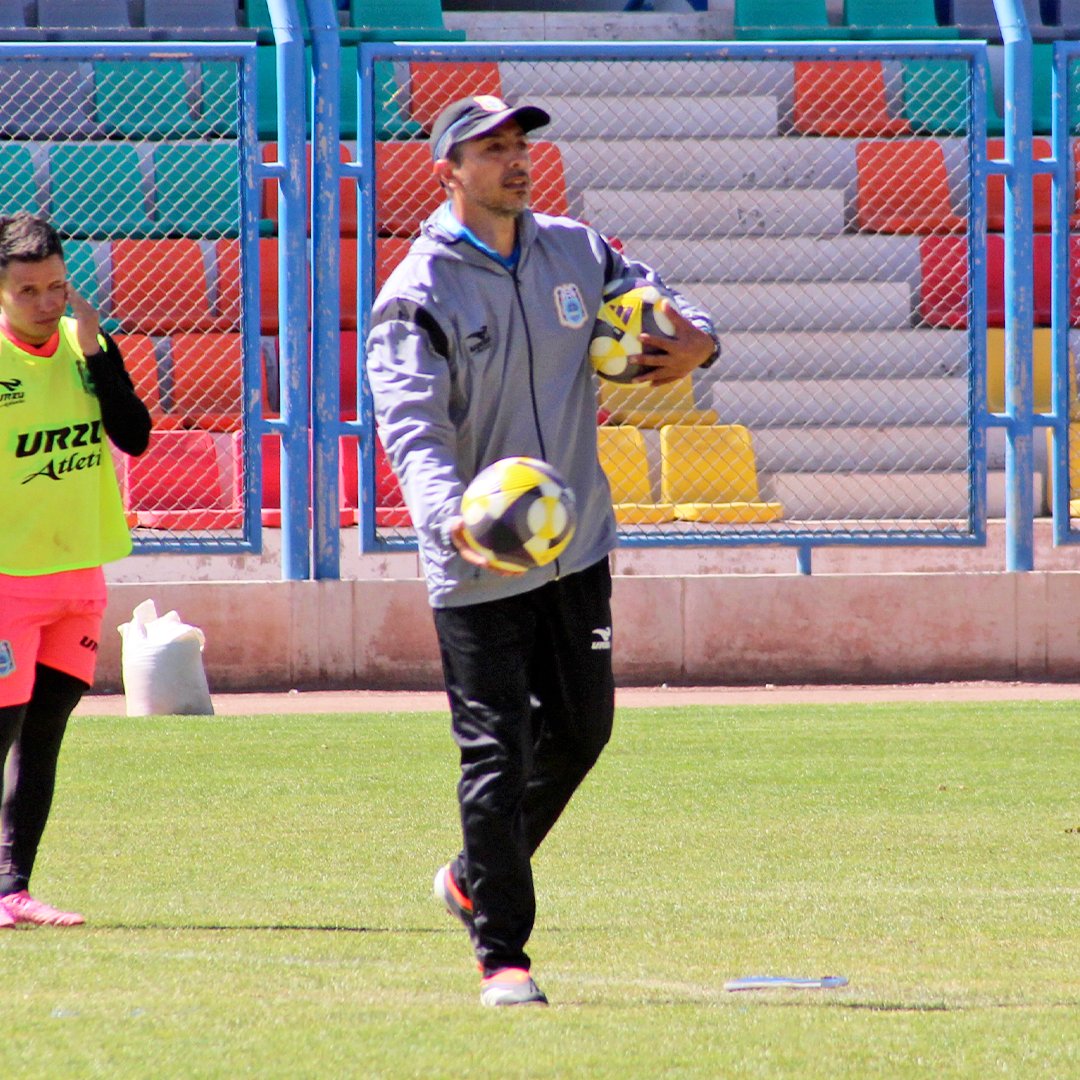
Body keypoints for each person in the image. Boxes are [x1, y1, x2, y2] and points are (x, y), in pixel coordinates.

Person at [365, 96, 720, 1006]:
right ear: (448, 169)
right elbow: (412, 427)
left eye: (522, 145)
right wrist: (452, 516)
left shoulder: (578, 249)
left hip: (577, 546)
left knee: (580, 733)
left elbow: (664, 303)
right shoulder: (417, 293)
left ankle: (467, 874)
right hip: (477, 559)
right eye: (493, 150)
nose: (517, 161)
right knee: (494, 751)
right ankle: (503, 958)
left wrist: (696, 343)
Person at [0, 212, 150, 929]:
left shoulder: (83, 343)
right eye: (27, 290)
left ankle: (12, 888)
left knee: (45, 735)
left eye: (56, 286)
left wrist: (96, 355)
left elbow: (136, 436)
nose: (46, 303)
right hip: (7, 579)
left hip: (79, 578)